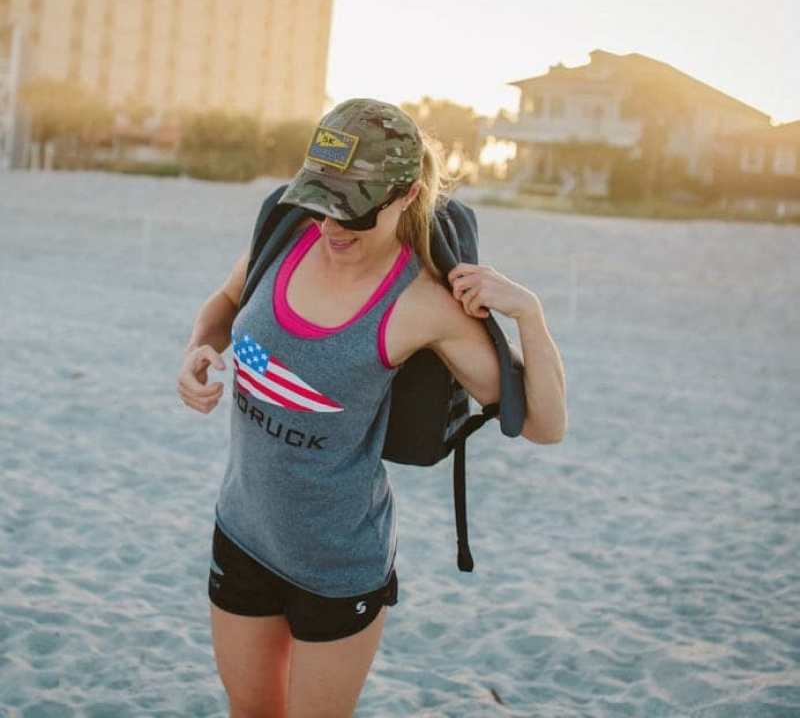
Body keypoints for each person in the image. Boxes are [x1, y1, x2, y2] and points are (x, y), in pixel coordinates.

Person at [177, 98, 567, 718]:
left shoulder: (422, 303)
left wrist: (532, 315)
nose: (332, 226)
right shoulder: (286, 231)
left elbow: (545, 425)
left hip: (337, 569)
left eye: (353, 210)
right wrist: (199, 347)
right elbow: (226, 301)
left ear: (406, 195)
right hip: (242, 533)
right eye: (322, 201)